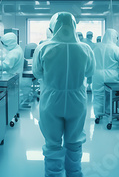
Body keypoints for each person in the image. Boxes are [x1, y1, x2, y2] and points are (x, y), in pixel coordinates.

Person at [32, 12, 95, 177]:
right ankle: (74, 173)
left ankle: (53, 174)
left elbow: (37, 73)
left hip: (51, 102)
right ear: (74, 27)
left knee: (52, 144)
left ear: (52, 28)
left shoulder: (43, 48)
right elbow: (90, 72)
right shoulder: (85, 49)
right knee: (74, 143)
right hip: (77, 101)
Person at [92, 29, 119, 120]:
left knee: (98, 95)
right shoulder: (115, 49)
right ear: (114, 37)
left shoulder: (96, 47)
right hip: (111, 76)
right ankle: (109, 113)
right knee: (110, 95)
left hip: (97, 75)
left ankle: (98, 115)